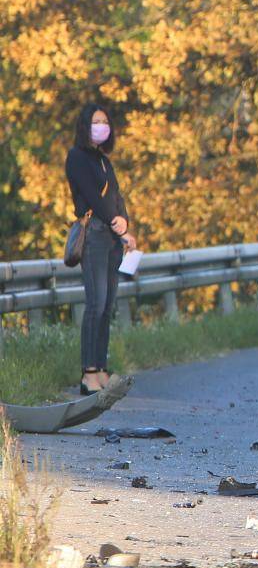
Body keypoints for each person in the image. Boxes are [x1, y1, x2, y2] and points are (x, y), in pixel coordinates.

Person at [65, 104, 135, 394]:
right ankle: (88, 373)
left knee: (107, 305)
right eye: (96, 121)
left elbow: (116, 196)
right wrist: (113, 219)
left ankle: (102, 368)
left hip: (111, 237)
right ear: (85, 126)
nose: (101, 126)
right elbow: (92, 197)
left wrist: (125, 224)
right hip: (94, 233)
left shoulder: (104, 160)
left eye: (105, 121)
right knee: (95, 304)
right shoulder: (77, 157)